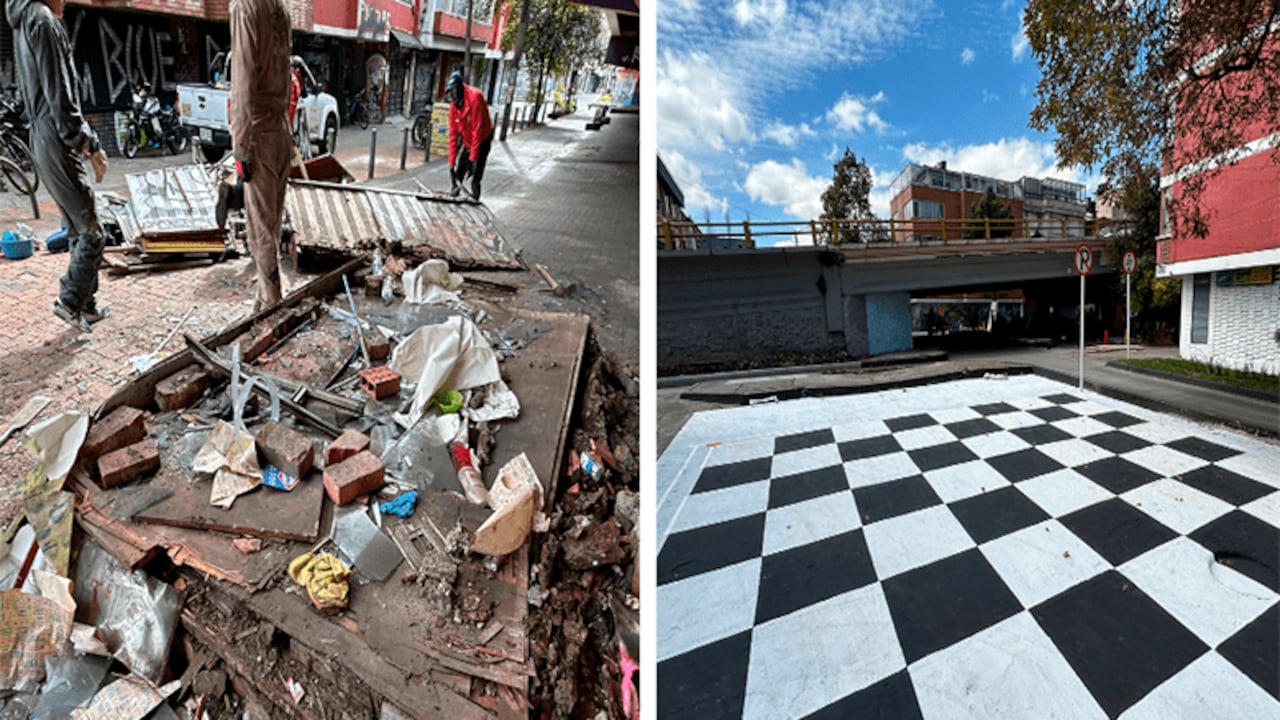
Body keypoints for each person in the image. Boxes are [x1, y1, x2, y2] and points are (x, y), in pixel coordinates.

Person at [7, 0, 111, 332]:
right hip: (56, 135)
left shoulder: (24, 21)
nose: (65, 0)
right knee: (93, 232)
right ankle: (69, 301)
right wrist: (87, 141)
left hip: (43, 134)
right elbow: (61, 95)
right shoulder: (44, 21)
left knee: (76, 228)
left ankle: (87, 304)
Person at [229, 0, 291, 310]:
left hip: (260, 131)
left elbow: (242, 84)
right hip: (281, 129)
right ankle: (264, 301)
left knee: (260, 231)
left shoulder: (246, 7)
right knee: (273, 223)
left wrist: (240, 147)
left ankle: (272, 306)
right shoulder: (280, 9)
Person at [445, 70, 493, 201]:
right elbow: (452, 137)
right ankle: (454, 192)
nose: (455, 102)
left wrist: (473, 159)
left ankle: (475, 197)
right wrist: (451, 163)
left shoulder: (475, 97)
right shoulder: (453, 107)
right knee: (459, 170)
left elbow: (477, 130)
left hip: (483, 138)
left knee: (475, 174)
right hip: (468, 140)